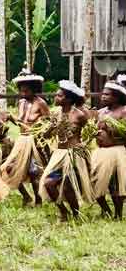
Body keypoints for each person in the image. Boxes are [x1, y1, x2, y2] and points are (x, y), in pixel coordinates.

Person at [40, 80, 93, 221]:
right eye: (56, 95)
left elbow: (89, 133)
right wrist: (51, 127)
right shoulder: (55, 114)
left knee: (69, 186)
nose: (56, 98)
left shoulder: (80, 115)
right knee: (48, 183)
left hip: (74, 154)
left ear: (68, 99)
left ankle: (75, 214)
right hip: (59, 154)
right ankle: (63, 211)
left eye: (59, 96)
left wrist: (83, 145)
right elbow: (46, 135)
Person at [1, 73, 50, 207]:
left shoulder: (41, 103)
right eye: (21, 90)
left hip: (34, 141)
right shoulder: (21, 102)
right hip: (21, 141)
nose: (23, 93)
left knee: (34, 172)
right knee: (10, 169)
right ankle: (26, 196)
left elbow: (49, 123)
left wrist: (39, 130)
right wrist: (11, 118)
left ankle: (38, 201)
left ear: (34, 89)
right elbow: (20, 123)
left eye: (26, 90)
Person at [92, 81, 126, 219]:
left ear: (116, 97)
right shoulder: (100, 112)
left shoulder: (124, 111)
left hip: (117, 151)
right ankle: (105, 210)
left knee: (115, 186)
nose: (103, 97)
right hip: (100, 152)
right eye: (102, 94)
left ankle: (117, 215)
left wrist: (112, 128)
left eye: (107, 95)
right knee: (93, 182)